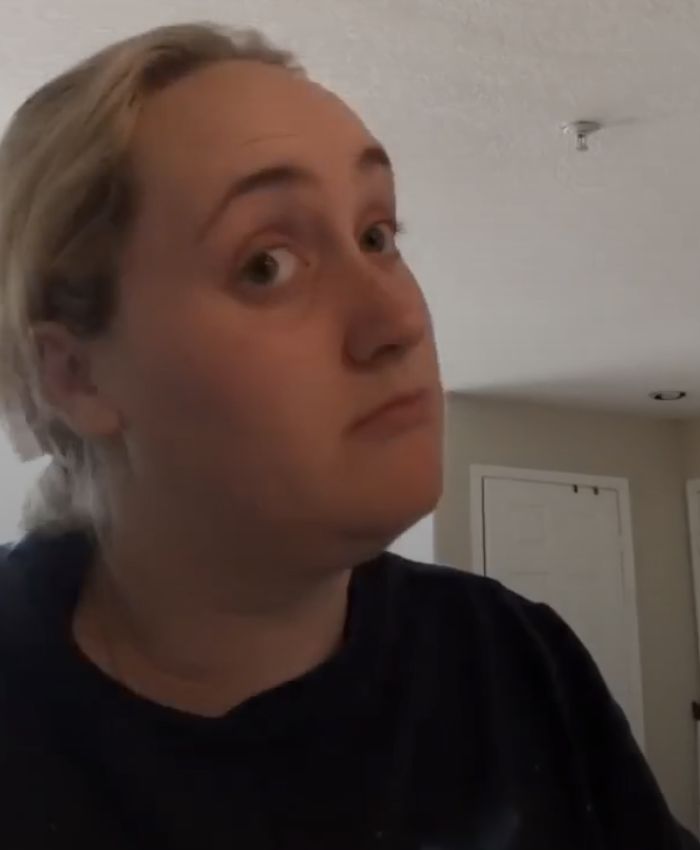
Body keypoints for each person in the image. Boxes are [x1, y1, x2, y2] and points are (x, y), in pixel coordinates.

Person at [0, 21, 695, 850]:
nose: (399, 318)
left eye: (378, 236)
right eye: (266, 264)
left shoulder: (511, 660)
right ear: (75, 374)